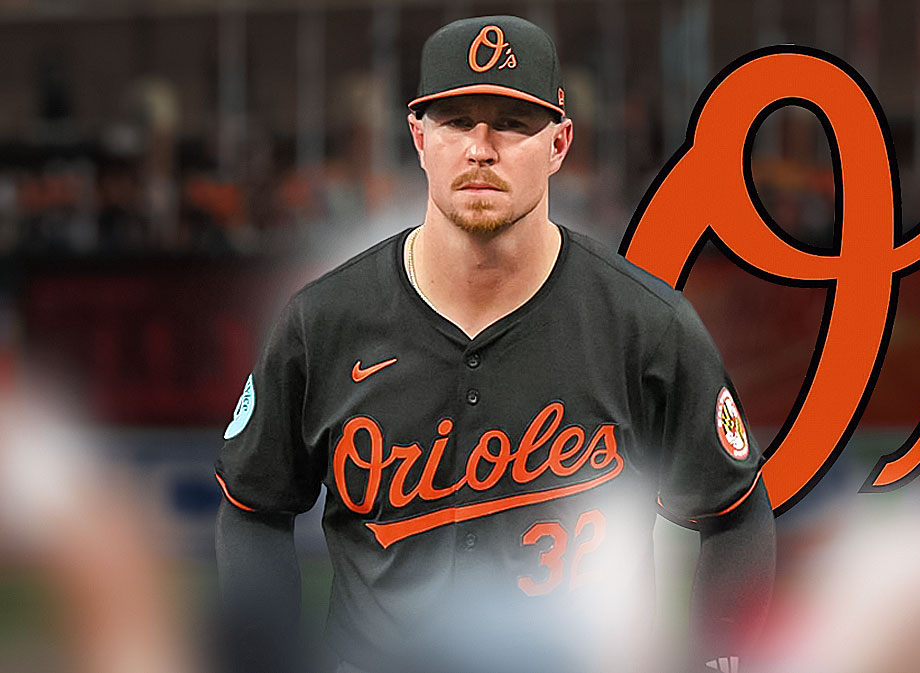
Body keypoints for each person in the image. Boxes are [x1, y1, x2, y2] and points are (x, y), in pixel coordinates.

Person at [215, 15, 774, 673]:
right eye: (456, 121)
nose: (481, 148)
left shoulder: (644, 324)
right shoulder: (325, 320)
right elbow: (253, 505)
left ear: (560, 143)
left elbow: (735, 511)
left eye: (512, 122)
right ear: (418, 137)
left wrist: (722, 656)